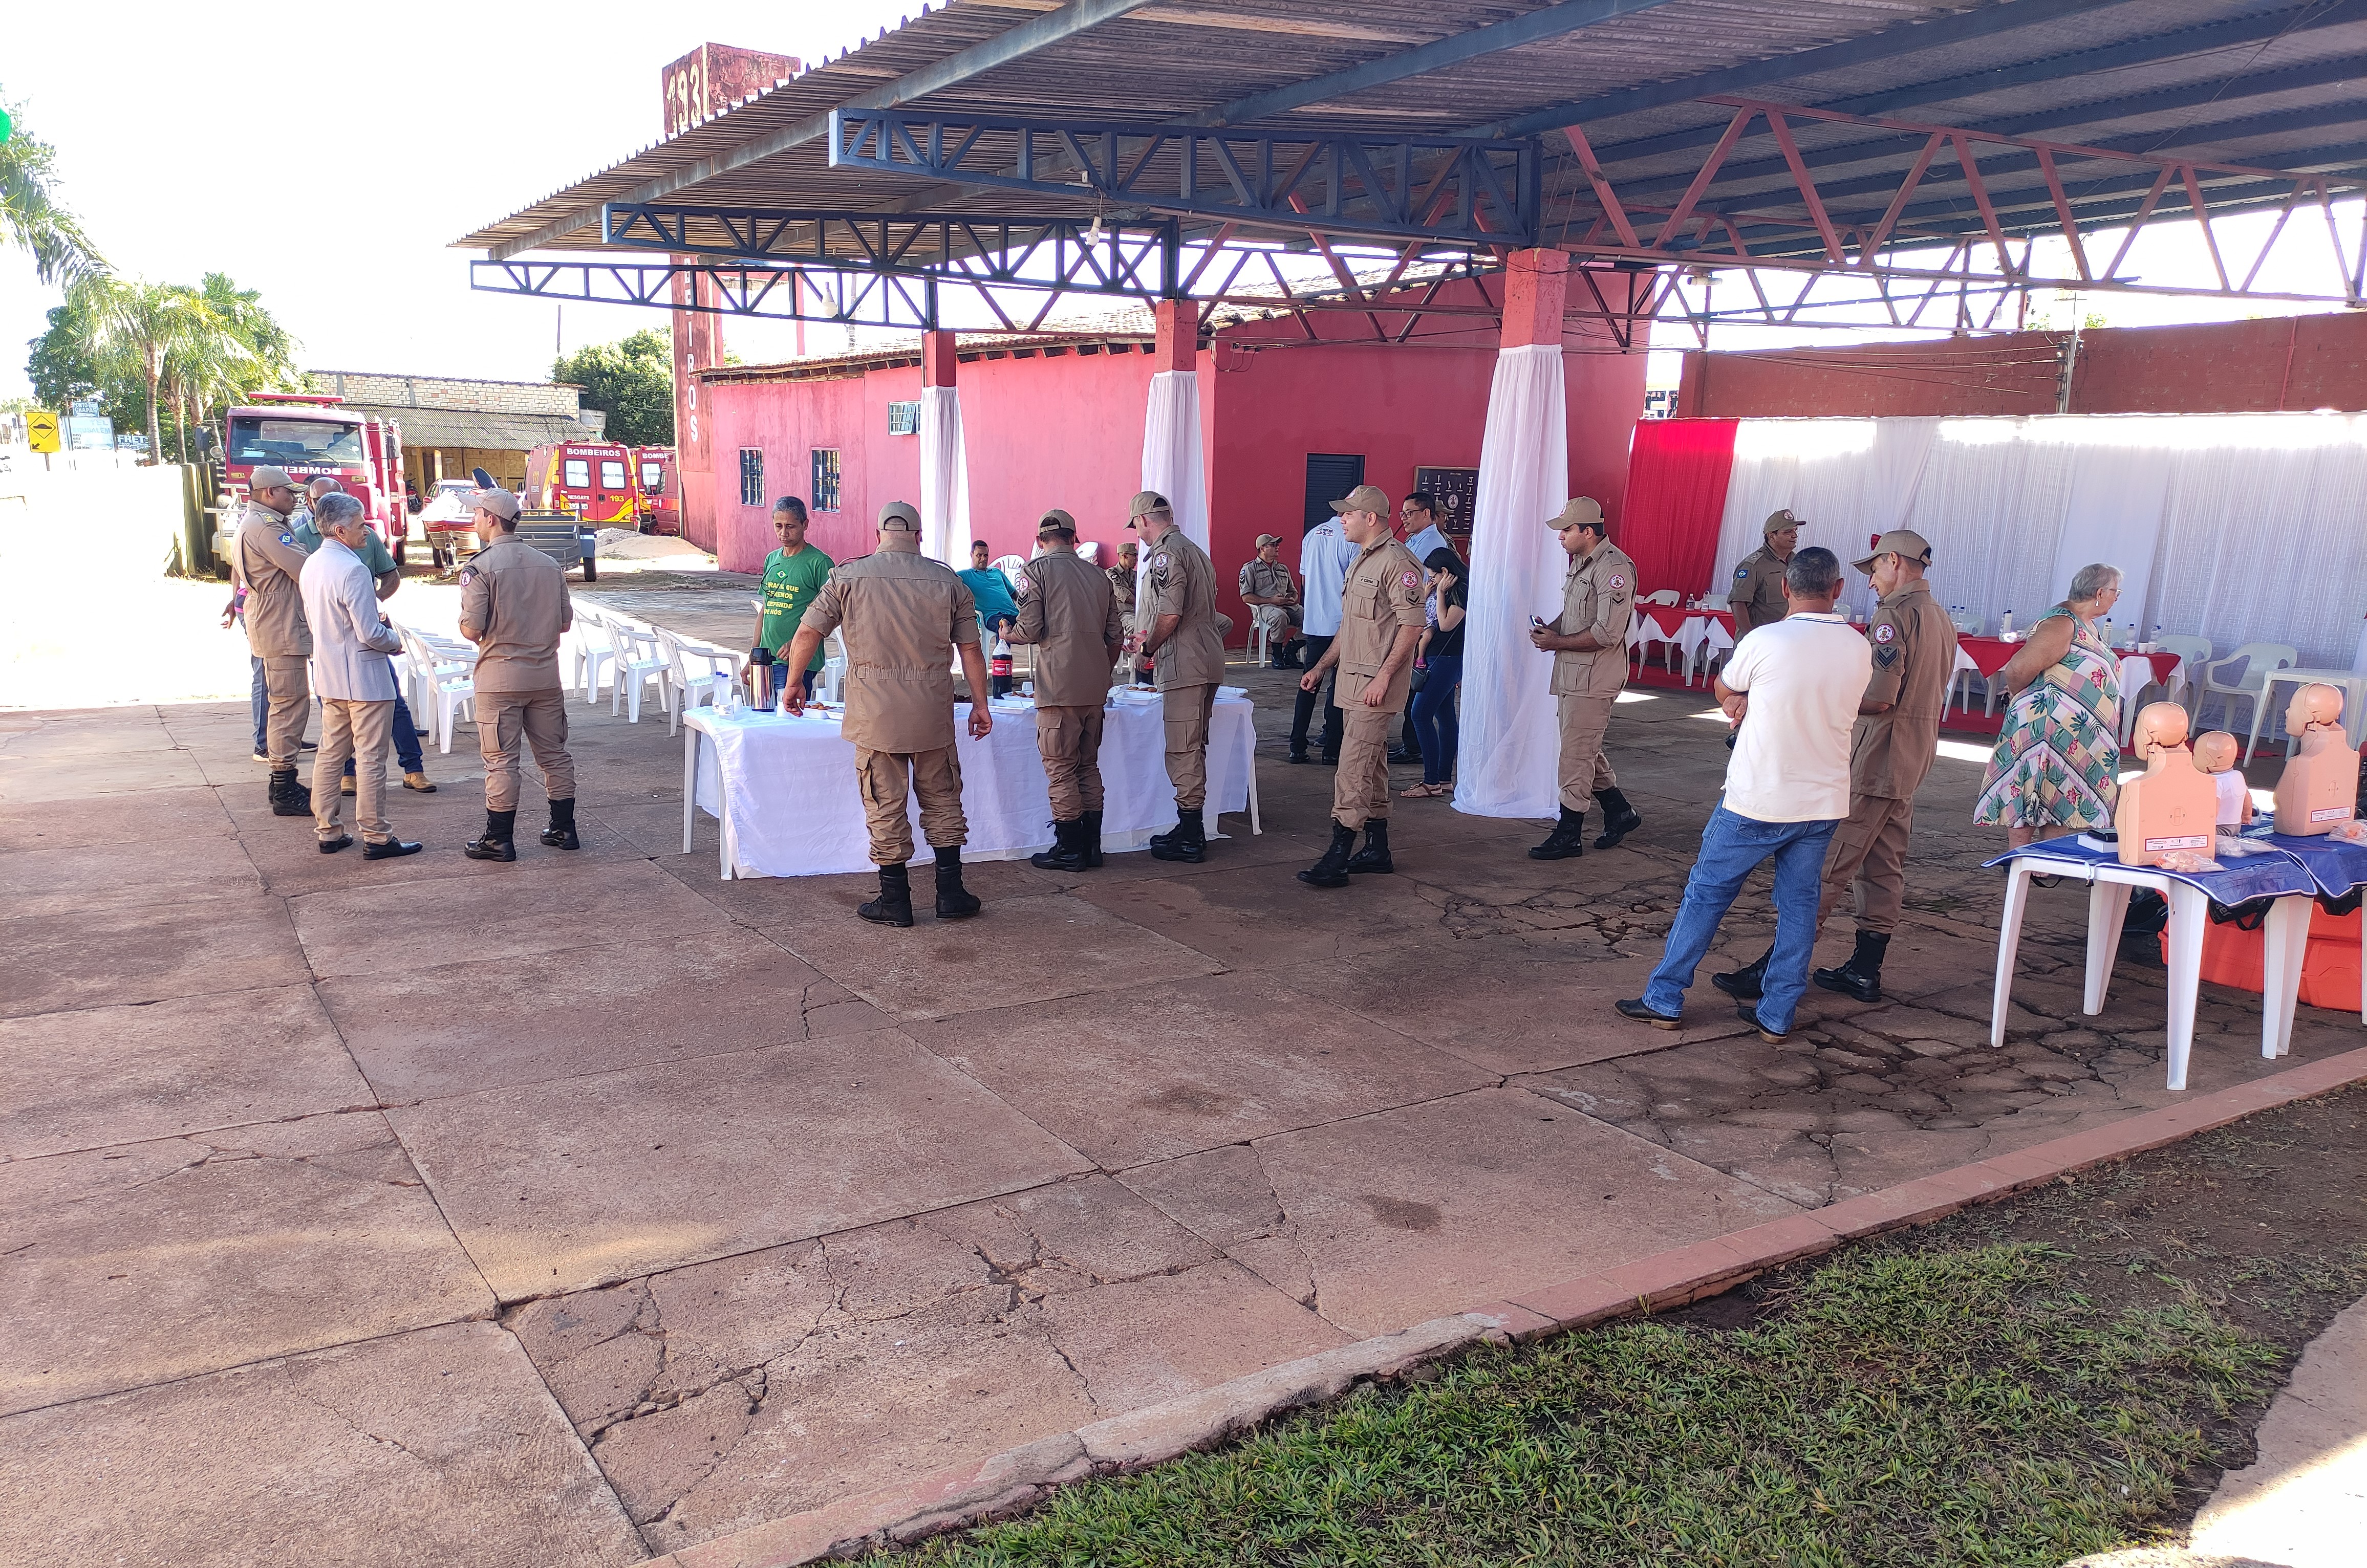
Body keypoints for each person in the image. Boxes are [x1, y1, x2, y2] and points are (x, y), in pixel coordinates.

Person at [1617, 548, 1871, 1041]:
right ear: (1838, 589)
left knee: (1706, 896)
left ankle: (1664, 998)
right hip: (1822, 799)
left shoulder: (1766, 639)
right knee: (1799, 906)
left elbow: (1725, 686)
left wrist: (1740, 701)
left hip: (1759, 796)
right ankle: (1778, 1012)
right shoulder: (1857, 646)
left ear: (1785, 588)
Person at [1715, 530, 1957, 1007]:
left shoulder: (1894, 615)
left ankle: (1776, 972)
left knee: (1827, 869)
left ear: (1894, 561)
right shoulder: (1939, 616)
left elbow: (1880, 697)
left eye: (1876, 569)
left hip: (1877, 756)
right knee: (1883, 866)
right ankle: (1865, 969)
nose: (1872, 581)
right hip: (1911, 756)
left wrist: (1820, 698)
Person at [780, 501, 995, 925]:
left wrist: (793, 683)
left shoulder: (847, 577)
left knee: (883, 801)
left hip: (875, 713)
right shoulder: (948, 581)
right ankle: (951, 894)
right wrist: (980, 704)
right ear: (919, 536)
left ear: (878, 535)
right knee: (943, 798)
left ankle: (895, 900)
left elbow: (807, 632)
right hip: (931, 711)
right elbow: (971, 648)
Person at [1297, 485, 1425, 887]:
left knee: (1352, 767)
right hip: (1351, 682)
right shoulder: (1361, 560)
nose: (1341, 519)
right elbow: (1350, 627)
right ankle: (1377, 848)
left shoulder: (1398, 562)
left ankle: (1338, 854)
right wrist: (1321, 667)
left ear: (1371, 518)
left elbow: (1412, 625)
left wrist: (1385, 676)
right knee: (1373, 765)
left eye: (1348, 513)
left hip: (1375, 687)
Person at [457, 486, 578, 862]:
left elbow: (472, 629)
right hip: (545, 677)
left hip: (500, 679)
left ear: (491, 520)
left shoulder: (480, 567)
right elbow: (564, 622)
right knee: (554, 755)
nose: (474, 519)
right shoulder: (549, 564)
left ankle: (499, 838)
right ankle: (563, 828)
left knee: (501, 761)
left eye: (477, 513)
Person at [297, 495, 421, 861]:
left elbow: (319, 621)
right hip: (363, 677)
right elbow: (370, 632)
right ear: (340, 530)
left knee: (331, 753)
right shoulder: (353, 569)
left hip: (330, 673)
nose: (366, 530)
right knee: (370, 758)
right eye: (360, 524)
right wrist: (395, 641)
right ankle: (377, 835)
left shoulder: (313, 563)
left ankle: (328, 830)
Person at [1003, 507, 1125, 872]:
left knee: (1060, 769)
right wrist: (1102, 672)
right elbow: (1115, 636)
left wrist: (1008, 633)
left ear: (1040, 541)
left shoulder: (1035, 571)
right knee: (1088, 766)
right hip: (1094, 687)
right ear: (1075, 538)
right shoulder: (1100, 576)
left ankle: (1069, 849)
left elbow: (1029, 629)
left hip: (1058, 686)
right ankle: (1092, 847)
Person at [1973, 562, 2126, 849]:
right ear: (2100, 593)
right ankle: (2020, 859)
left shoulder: (2086, 623)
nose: (2117, 598)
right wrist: (2020, 696)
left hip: (2069, 734)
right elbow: (2019, 668)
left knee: (2060, 797)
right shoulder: (2062, 623)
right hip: (2046, 729)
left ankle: (2046, 861)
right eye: (2116, 592)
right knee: (2032, 793)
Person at [1525, 497, 1644, 859]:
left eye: (1567, 530)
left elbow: (1608, 632)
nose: (1561, 537)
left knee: (1576, 756)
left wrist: (1557, 642)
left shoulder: (1613, 568)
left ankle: (1569, 833)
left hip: (1595, 677)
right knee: (1583, 747)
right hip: (1574, 673)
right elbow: (1576, 614)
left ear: (1588, 532)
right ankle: (1619, 811)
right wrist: (1552, 630)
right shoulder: (1583, 563)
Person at [1129, 491, 1231, 863]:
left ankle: (1190, 836)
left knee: (1182, 748)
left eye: (1136, 526)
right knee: (1194, 743)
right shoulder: (1194, 550)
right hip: (1206, 655)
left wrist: (1147, 649)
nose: (1138, 534)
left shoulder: (1166, 553)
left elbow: (1170, 614)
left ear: (1144, 520)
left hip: (1184, 660)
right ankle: (1190, 827)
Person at [235, 465, 317, 817]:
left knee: (286, 700)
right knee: (289, 703)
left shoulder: (257, 522)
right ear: (270, 493)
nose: (295, 498)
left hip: (274, 618)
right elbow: (305, 569)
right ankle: (284, 784)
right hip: (280, 623)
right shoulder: (267, 528)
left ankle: (283, 782)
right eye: (289, 492)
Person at [1289, 508, 1357, 764]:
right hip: (1341, 623)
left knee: (1308, 684)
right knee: (1339, 687)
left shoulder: (1312, 535)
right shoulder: (1350, 537)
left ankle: (1297, 745)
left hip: (1316, 622)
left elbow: (1304, 580)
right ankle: (1331, 749)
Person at [1401, 548, 1468, 799]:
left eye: (1433, 576)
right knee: (1446, 716)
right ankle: (1443, 779)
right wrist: (1431, 592)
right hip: (1439, 657)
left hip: (1446, 658)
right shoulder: (1448, 589)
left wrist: (1440, 593)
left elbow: (1446, 624)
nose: (1431, 580)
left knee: (1419, 714)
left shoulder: (1460, 590)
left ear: (1444, 572)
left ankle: (1431, 781)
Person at [1391, 493, 1453, 763]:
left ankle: (1414, 746)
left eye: (1410, 513)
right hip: (1419, 617)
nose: (1404, 518)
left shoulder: (1431, 543)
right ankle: (1414, 744)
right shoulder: (1415, 539)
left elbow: (1416, 583)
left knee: (1418, 690)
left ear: (1427, 514)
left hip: (1427, 620)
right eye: (1402, 513)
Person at [754, 496, 833, 699]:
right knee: (764, 714)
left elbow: (830, 615)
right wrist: (754, 655)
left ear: (805, 525)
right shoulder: (771, 559)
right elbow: (766, 609)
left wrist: (798, 642)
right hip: (766, 658)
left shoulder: (819, 563)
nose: (784, 533)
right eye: (778, 526)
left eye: (790, 527)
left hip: (798, 661)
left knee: (789, 714)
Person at [959, 540, 1021, 697]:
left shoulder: (997, 573)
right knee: (1003, 626)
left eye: (986, 555)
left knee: (1039, 622)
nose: (983, 559)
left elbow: (1015, 594)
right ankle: (1003, 678)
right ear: (971, 555)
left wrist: (1029, 607)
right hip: (992, 616)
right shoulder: (965, 575)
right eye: (979, 555)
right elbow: (948, 581)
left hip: (1014, 613)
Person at [1730, 509, 1800, 638]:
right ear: (1772, 536)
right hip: (1761, 639)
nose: (1794, 535)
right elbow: (1738, 603)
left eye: (1795, 530)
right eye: (1787, 532)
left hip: (1787, 638)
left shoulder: (1797, 562)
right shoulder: (1753, 566)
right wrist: (1751, 638)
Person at [1237, 534, 1301, 666]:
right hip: (1264, 608)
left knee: (1312, 619)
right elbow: (1246, 597)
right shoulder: (1250, 568)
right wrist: (1271, 600)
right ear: (1262, 549)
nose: (1277, 548)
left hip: (1287, 606)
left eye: (1277, 545)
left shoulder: (1283, 568)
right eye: (1273, 545)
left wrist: (1293, 599)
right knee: (1280, 617)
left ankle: (1290, 651)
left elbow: (1294, 591)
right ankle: (1277, 655)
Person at [1109, 540, 1150, 686]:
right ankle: (1136, 676)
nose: (1137, 559)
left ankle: (1149, 671)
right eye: (1134, 556)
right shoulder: (1112, 574)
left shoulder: (1135, 574)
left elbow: (1144, 593)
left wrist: (1137, 593)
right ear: (1124, 556)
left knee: (1152, 630)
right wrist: (1137, 593)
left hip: (1139, 611)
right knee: (1137, 631)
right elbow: (1126, 596)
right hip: (1123, 614)